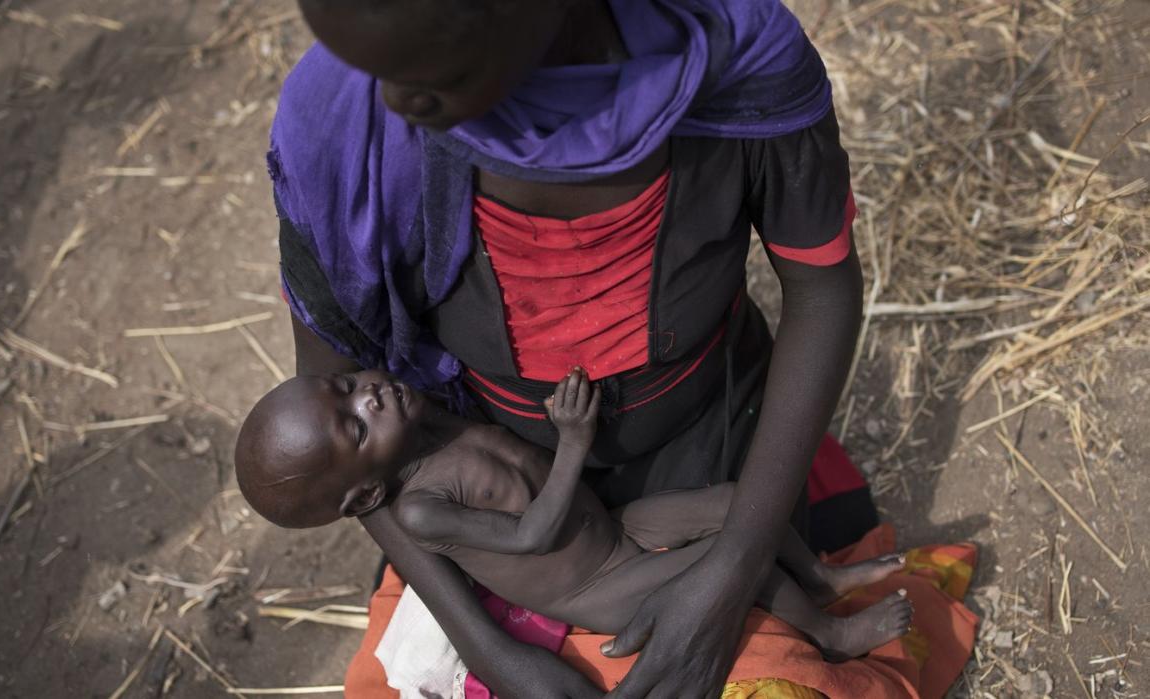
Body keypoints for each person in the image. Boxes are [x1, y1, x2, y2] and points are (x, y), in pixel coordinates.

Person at [267, 0, 867, 694]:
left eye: (429, 67)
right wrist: (495, 652)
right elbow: (342, 439)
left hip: (719, 449)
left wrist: (735, 565)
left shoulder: (731, 55)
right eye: (368, 65)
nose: (393, 100)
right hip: (501, 518)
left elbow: (822, 292)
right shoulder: (343, 122)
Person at [236, 368, 912, 660]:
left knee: (739, 503)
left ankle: (819, 580)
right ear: (363, 499)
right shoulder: (418, 511)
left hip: (614, 527)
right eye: (355, 427)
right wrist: (575, 440)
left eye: (348, 388)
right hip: (596, 586)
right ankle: (829, 634)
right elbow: (533, 532)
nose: (370, 396)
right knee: (736, 557)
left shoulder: (421, 425)